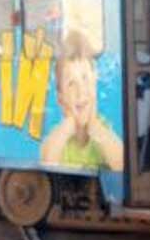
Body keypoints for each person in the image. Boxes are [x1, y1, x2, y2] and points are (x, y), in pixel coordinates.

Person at [40, 30, 124, 171]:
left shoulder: (103, 129)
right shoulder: (59, 137)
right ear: (61, 100)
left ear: (95, 84)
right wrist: (67, 127)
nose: (81, 91)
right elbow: (47, 161)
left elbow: (121, 163)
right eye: (71, 84)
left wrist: (94, 127)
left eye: (85, 78)